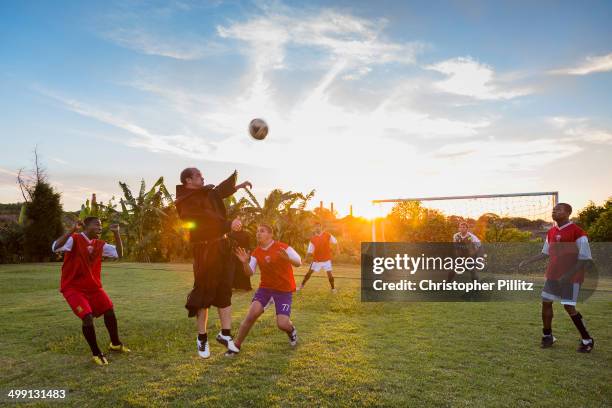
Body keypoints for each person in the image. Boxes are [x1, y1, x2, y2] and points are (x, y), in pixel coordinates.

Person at [175, 168, 251, 359]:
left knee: (225, 290)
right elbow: (203, 222)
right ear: (188, 180)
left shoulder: (205, 193)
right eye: (199, 175)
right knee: (204, 293)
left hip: (222, 247)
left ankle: (225, 334)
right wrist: (227, 225)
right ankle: (202, 337)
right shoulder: (186, 202)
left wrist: (236, 187)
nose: (203, 177)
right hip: (205, 250)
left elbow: (217, 192)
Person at [518, 203, 595, 353]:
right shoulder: (551, 232)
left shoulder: (578, 233)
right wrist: (527, 261)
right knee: (546, 303)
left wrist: (567, 275)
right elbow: (545, 253)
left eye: (558, 210)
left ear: (568, 213)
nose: (554, 211)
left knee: (568, 307)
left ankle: (587, 339)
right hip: (552, 276)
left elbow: (584, 258)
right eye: (553, 210)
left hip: (571, 278)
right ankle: (547, 336)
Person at [52, 217, 129, 366]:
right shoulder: (74, 239)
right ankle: (96, 353)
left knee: (109, 311)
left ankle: (115, 344)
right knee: (87, 317)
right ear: (86, 227)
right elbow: (55, 247)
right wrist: (72, 230)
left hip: (93, 287)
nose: (100, 228)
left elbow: (119, 254)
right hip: (73, 288)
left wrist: (116, 233)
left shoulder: (99, 244)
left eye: (101, 226)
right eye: (96, 225)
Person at [230, 224, 301, 355]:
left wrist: (288, 258)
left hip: (284, 290)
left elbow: (299, 262)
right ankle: (236, 346)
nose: (258, 234)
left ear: (270, 234)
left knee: (282, 324)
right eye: (257, 231)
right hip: (266, 289)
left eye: (262, 231)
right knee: (251, 315)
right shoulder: (256, 252)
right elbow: (249, 273)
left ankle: (291, 331)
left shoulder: (283, 247)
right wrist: (245, 262)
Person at [298, 222, 338, 292]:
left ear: (321, 227)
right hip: (316, 260)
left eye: (318, 226)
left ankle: (333, 289)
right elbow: (309, 251)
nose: (317, 228)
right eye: (315, 227)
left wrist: (337, 250)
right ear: (314, 228)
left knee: (330, 274)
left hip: (326, 259)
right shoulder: (313, 239)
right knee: (309, 273)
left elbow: (335, 242)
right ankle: (301, 286)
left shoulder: (327, 235)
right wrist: (304, 260)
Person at [229, 222, 253, 291]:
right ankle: (233, 286)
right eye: (235, 225)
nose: (237, 226)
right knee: (233, 271)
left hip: (243, 254)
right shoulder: (229, 234)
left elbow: (249, 245)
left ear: (241, 225)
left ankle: (246, 286)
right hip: (233, 255)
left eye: (238, 225)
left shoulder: (246, 234)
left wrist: (248, 252)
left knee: (243, 270)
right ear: (232, 226)